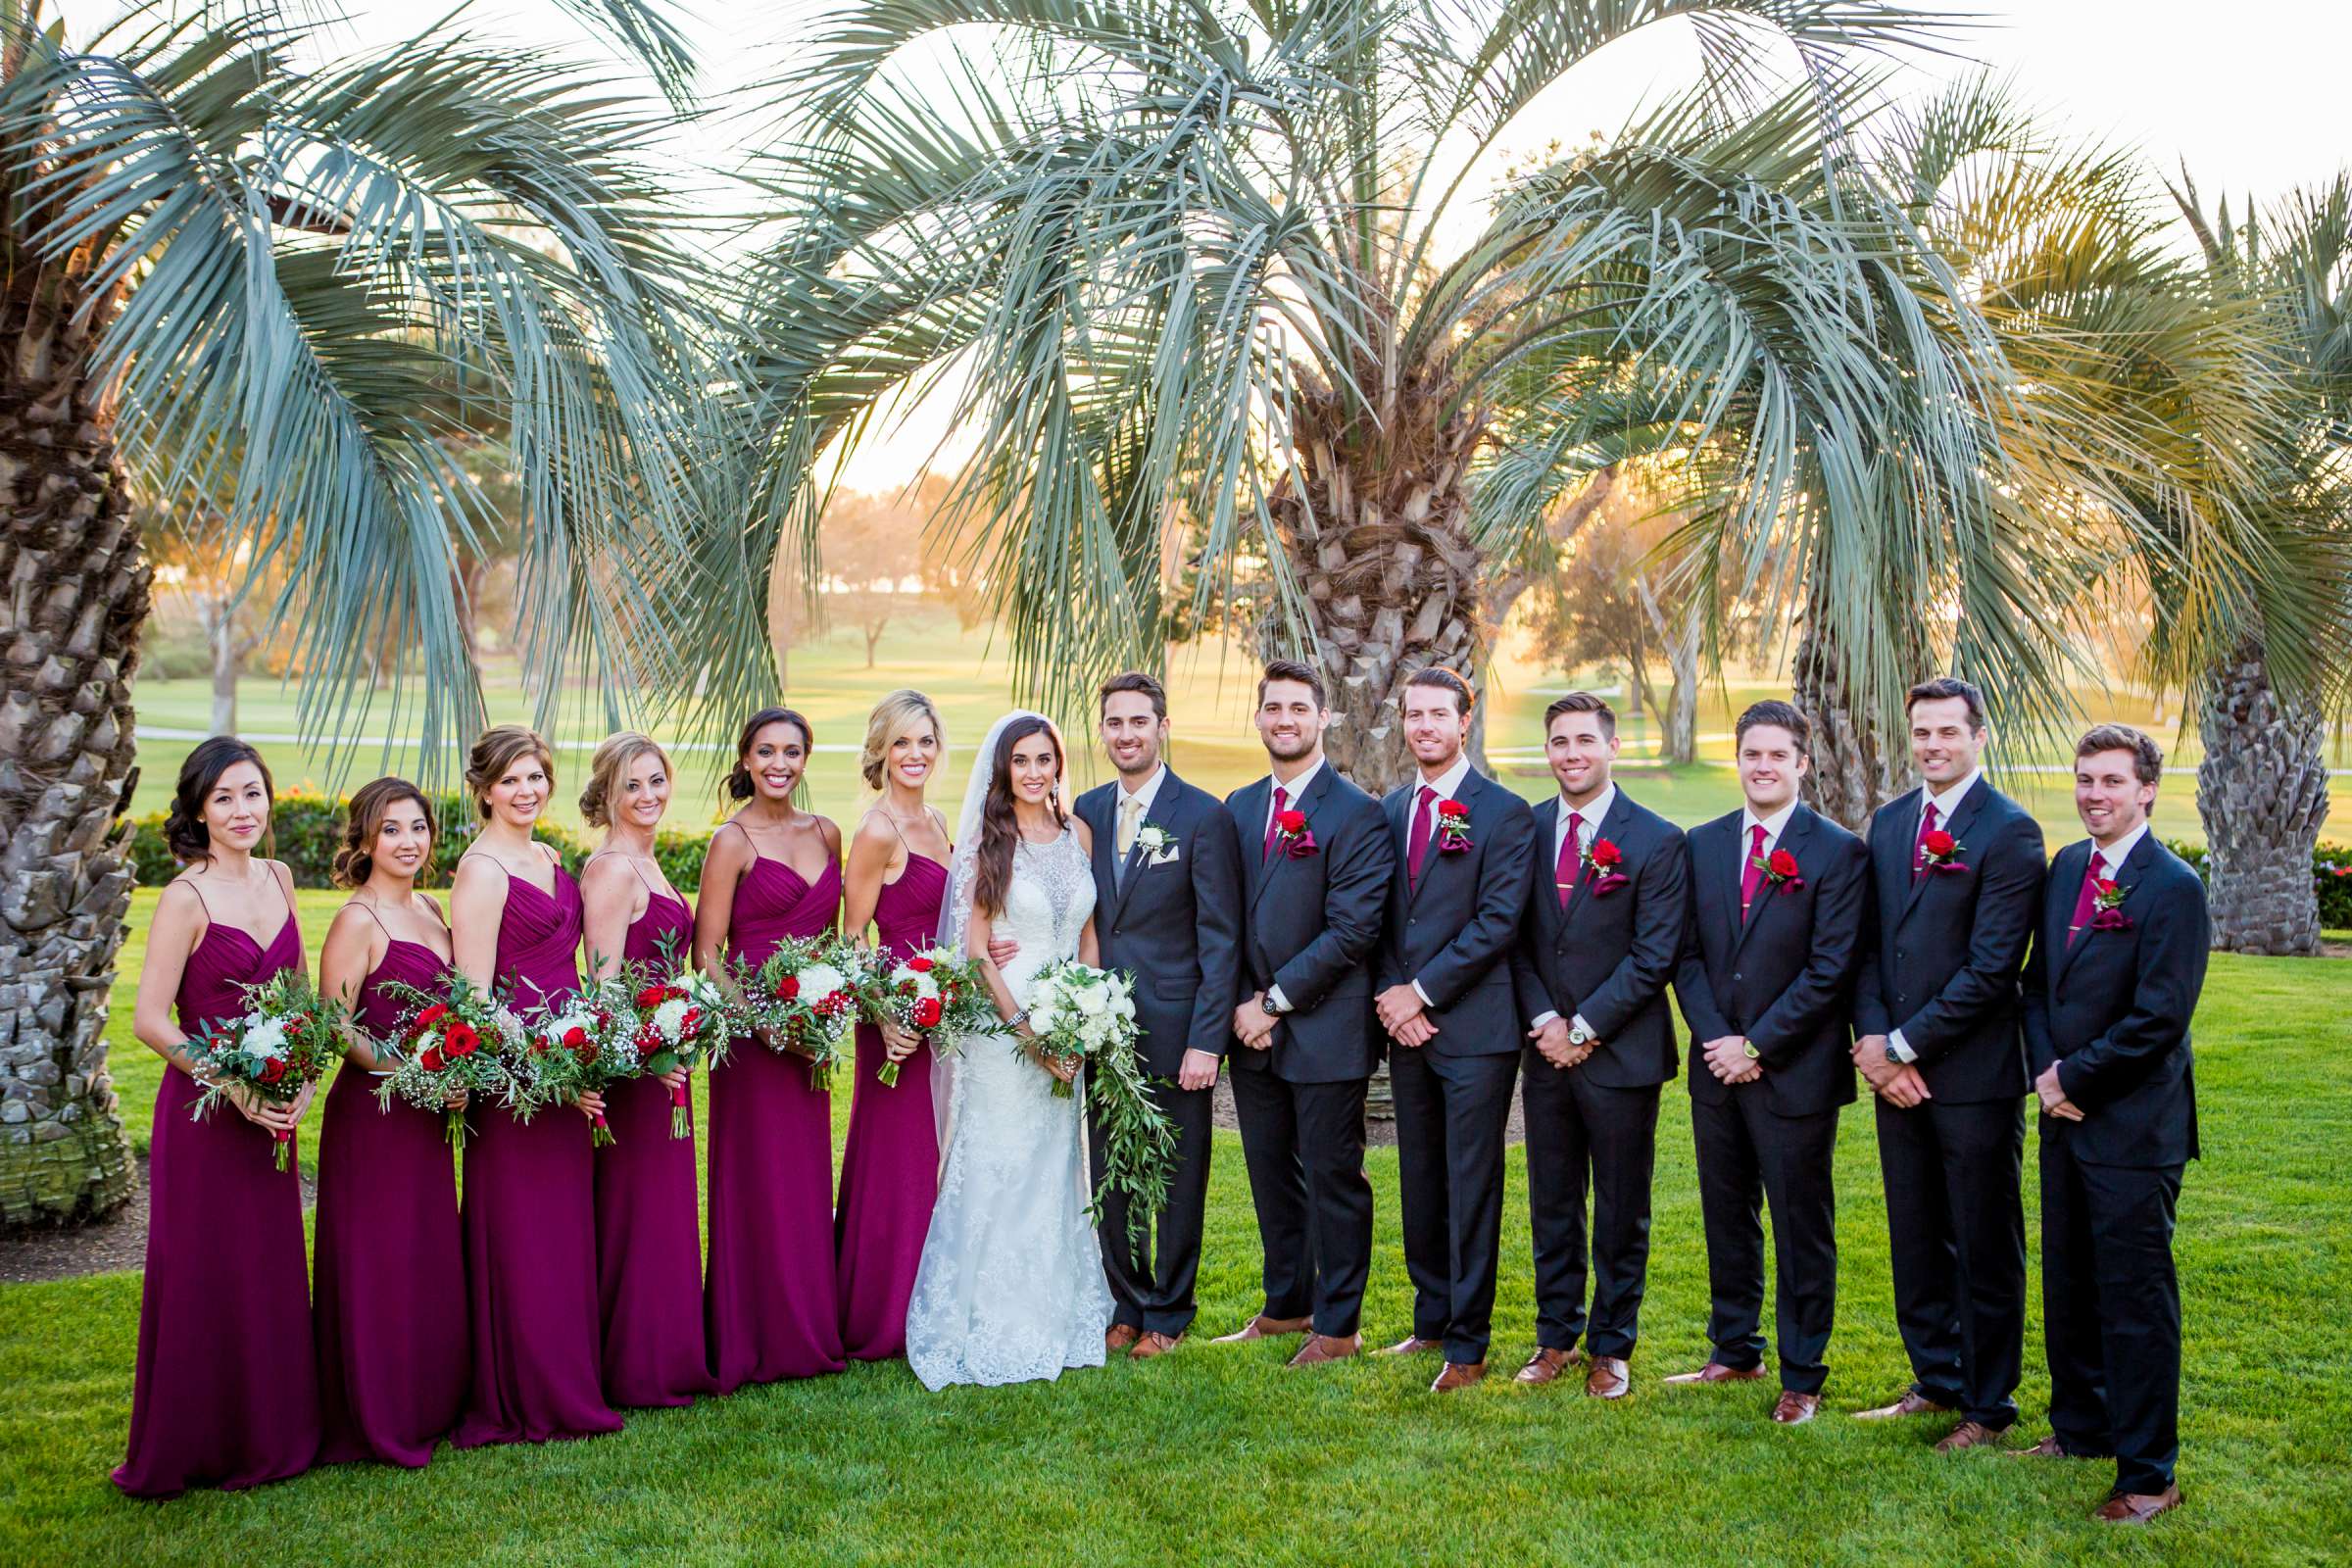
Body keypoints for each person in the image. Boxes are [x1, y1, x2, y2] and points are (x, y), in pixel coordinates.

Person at [115, 738, 318, 1496]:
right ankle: (193, 1441)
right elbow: (148, 1020)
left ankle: (272, 1431)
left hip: (275, 1109)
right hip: (205, 1118)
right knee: (206, 1273)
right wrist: (231, 1087)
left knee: (264, 1269)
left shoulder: (281, 876)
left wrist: (299, 1078)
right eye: (225, 797)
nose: (243, 810)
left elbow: (299, 995)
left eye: (253, 794)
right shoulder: (186, 896)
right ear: (200, 810)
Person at [2016, 724, 2206, 1525]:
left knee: (2135, 1300)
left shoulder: (2172, 887)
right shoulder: (2066, 869)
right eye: (2085, 779)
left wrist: (2073, 1076)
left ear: (2147, 790)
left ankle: (2149, 1474)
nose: (2095, 794)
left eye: (2112, 782)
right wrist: (2046, 1076)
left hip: (2134, 1129)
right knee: (2070, 1285)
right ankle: (2081, 1429)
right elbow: (2036, 988)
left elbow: (2159, 1019)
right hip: (2064, 1118)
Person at [1849, 679, 2043, 1449]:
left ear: (1978, 737)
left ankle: (1989, 1405)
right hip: (1897, 1078)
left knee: (1982, 1239)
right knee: (1917, 1231)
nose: (1932, 746)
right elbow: (1868, 947)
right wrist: (1873, 1044)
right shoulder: (1891, 822)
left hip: (1974, 1079)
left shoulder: (2010, 832)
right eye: (1922, 733)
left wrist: (1902, 1045)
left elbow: (1993, 969)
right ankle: (1935, 1379)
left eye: (1947, 733)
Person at [1668, 700, 1868, 1424]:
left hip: (1796, 1072)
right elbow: (1684, 955)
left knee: (1799, 1221)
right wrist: (1721, 1041)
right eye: (1751, 753)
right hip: (1716, 1068)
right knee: (1728, 1214)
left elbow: (1830, 969)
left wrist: (1757, 1045)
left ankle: (1803, 1373)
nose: (1762, 766)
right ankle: (1734, 1349)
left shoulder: (1838, 852)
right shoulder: (1704, 844)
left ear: (1801, 764)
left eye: (1777, 755)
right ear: (1739, 759)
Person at [905, 713, 1116, 1389]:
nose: (1033, 772)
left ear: (1058, 764)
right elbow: (973, 954)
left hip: (1069, 1022)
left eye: (1044, 759)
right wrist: (1031, 1035)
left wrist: (1085, 1020)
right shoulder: (984, 846)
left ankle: (1054, 1312)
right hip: (1004, 1034)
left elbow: (1087, 935)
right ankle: (987, 1317)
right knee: (1000, 1162)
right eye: (1020, 761)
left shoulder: (1078, 834)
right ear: (1002, 770)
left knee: (1055, 1168)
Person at [1213, 661, 1396, 1367]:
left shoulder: (1357, 813)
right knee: (1270, 1174)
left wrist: (1273, 1003)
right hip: (1251, 1031)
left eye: (1298, 708)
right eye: (1273, 709)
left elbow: (1352, 930)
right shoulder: (1237, 806)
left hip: (1324, 1028)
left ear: (1324, 719)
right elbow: (1225, 917)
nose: (1284, 720)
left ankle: (1340, 1325)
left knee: (1332, 1178)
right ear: (1257, 719)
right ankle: (1287, 1306)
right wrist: (1240, 1005)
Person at [1507, 692, 1689, 1398]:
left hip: (1621, 1054)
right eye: (1558, 741)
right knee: (1552, 1200)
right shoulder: (1523, 831)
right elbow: (1513, 938)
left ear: (1613, 748)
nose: (1571, 753)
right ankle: (1555, 1336)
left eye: (1585, 740)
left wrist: (1582, 1028)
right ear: (1547, 751)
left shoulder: (1655, 838)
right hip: (1544, 1050)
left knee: (1620, 1207)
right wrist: (1546, 1024)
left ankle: (1611, 1346)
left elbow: (1654, 955)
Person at [448, 724, 620, 1446]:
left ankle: (569, 1380)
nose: (527, 791)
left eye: (537, 777)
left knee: (564, 1234)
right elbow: (474, 995)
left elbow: (574, 968)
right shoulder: (481, 870)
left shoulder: (550, 857)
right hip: (518, 1084)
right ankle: (522, 1391)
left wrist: (585, 1047)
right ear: (485, 789)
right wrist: (546, 1066)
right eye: (512, 780)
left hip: (566, 1067)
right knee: (522, 1236)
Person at [1071, 671, 1244, 1359]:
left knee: (1174, 1173)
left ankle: (1169, 1311)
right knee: (1109, 1170)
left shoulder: (1203, 814)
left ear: (1162, 727)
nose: (1126, 734)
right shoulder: (1083, 808)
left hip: (1176, 1031)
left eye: (1138, 722)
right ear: (1103, 730)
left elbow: (1221, 938)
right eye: (1114, 723)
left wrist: (1207, 1041)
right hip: (1098, 1029)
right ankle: (1125, 1301)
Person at [1372, 668, 1535, 1393]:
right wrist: (1389, 995)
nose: (1426, 726)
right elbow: (1375, 914)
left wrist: (1421, 994)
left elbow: (1497, 923)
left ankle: (1468, 1345)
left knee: (1471, 1186)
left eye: (1440, 714)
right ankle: (1431, 1318)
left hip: (1474, 1031)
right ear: (1404, 722)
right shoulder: (1390, 808)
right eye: (1415, 715)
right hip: (1405, 1032)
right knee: (1421, 1180)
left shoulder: (1503, 812)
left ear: (1465, 722)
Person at [314, 778, 467, 1465]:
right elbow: (335, 1024)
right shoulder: (357, 921)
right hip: (374, 1115)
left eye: (418, 828)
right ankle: (373, 1411)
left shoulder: (435, 909)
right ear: (367, 840)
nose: (409, 842)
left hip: (429, 1118)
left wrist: (457, 1071)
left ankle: (429, 1401)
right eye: (392, 830)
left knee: (423, 1253)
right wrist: (412, 1074)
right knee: (377, 1260)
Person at [695, 707, 849, 1390]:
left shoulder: (828, 832)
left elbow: (832, 941)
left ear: (806, 758)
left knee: (804, 1182)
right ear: (747, 760)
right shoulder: (731, 840)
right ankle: (749, 1334)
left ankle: (805, 1329)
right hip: (752, 1043)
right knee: (756, 1181)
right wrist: (760, 1022)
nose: (779, 763)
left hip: (808, 1037)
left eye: (792, 751)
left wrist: (826, 1012)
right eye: (766, 751)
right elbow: (707, 952)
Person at [578, 733, 716, 1408]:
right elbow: (602, 989)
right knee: (636, 1210)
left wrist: (686, 1024)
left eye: (657, 780)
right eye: (632, 785)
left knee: (666, 1211)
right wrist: (652, 1051)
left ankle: (669, 1352)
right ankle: (636, 1365)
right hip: (637, 1073)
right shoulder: (610, 870)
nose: (648, 795)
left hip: (669, 1058)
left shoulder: (650, 862)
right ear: (608, 792)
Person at [837, 691, 956, 1361]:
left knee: (934, 1156)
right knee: (896, 1160)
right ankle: (881, 1312)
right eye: (902, 743)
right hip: (893, 1018)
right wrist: (884, 1016)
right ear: (881, 749)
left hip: (939, 1011)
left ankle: (930, 1296)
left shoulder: (938, 820)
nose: (915, 755)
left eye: (925, 742)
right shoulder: (878, 830)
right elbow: (853, 938)